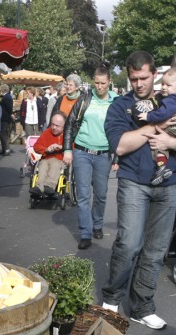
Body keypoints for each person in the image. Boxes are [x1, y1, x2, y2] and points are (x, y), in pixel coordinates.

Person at [101, 51, 176, 329]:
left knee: (156, 250)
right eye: (134, 79)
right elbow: (120, 146)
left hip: (168, 184)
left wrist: (170, 142)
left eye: (144, 78)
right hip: (134, 181)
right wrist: (156, 125)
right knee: (129, 244)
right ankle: (111, 299)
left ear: (154, 75)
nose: (139, 84)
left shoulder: (173, 100)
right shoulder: (120, 106)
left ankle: (142, 306)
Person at [62, 66, 118, 250]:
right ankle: (85, 233)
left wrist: (117, 157)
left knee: (101, 194)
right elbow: (70, 123)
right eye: (96, 83)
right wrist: (67, 149)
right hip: (82, 152)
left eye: (103, 83)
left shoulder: (116, 101)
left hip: (104, 154)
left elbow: (122, 130)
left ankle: (97, 224)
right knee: (83, 195)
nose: (99, 86)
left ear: (109, 82)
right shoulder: (84, 99)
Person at [134, 66, 176, 184]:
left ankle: (161, 167)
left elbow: (163, 113)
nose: (163, 87)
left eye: (168, 85)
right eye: (162, 84)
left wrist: (148, 116)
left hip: (173, 128)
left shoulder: (172, 100)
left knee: (157, 144)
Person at [30, 111, 66, 195]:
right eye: (52, 124)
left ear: (64, 126)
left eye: (57, 126)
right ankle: (39, 187)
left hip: (60, 160)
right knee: (43, 165)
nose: (54, 127)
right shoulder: (46, 132)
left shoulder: (67, 134)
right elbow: (36, 146)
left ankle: (49, 186)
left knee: (55, 163)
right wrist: (46, 149)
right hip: (46, 159)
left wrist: (61, 147)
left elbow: (73, 147)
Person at [0, 84, 13, 155]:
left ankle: (6, 149)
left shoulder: (6, 97)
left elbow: (9, 108)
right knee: (3, 134)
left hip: (5, 118)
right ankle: (4, 149)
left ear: (3, 90)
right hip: (5, 118)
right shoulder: (7, 96)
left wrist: (11, 114)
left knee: (4, 134)